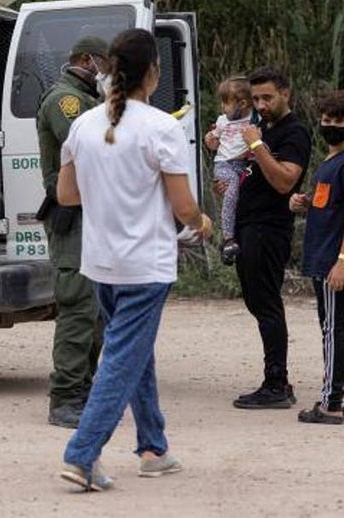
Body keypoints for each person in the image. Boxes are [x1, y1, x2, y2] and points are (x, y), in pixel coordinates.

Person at [56, 28, 212, 491]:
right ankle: (82, 455)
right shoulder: (162, 127)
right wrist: (202, 223)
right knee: (122, 359)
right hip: (145, 265)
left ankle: (153, 448)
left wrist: (108, 190)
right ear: (152, 73)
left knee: (132, 355)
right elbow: (184, 208)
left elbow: (66, 194)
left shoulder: (83, 125)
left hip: (101, 262)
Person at [36, 36, 110, 428]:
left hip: (93, 215)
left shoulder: (88, 101)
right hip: (73, 214)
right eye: (104, 64)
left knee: (97, 310)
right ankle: (65, 396)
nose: (108, 74)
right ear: (87, 60)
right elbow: (89, 148)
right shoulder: (66, 101)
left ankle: (82, 389)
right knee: (79, 308)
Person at [288, 90, 344, 424]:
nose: (330, 126)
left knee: (334, 330)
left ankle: (331, 402)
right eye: (326, 120)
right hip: (328, 256)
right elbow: (333, 203)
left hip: (335, 261)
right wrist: (306, 202)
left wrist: (343, 260)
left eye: (338, 121)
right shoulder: (331, 161)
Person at [229, 68, 312, 410]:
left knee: (266, 303)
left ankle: (277, 382)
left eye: (268, 98)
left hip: (269, 228)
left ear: (286, 94)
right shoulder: (263, 128)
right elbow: (256, 171)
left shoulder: (294, 133)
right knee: (256, 301)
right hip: (249, 225)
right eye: (256, 99)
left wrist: (257, 146)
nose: (261, 105)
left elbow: (284, 182)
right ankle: (275, 379)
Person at [203, 76, 254, 264]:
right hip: (224, 164)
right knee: (231, 190)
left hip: (243, 165)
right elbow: (214, 141)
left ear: (243, 103)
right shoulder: (223, 121)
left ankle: (233, 243)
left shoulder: (253, 119)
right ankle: (227, 238)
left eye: (226, 103)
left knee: (240, 195)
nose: (223, 107)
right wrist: (210, 140)